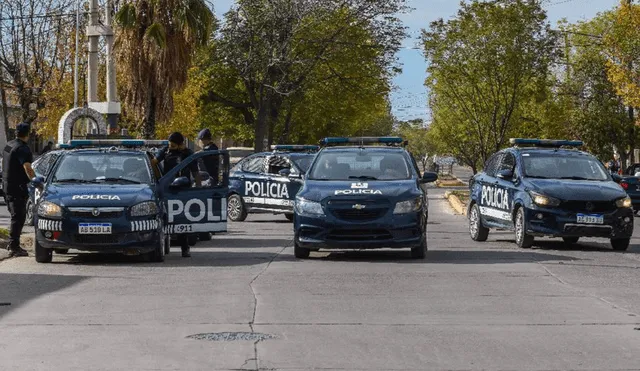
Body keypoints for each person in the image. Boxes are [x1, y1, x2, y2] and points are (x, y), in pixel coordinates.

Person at [151, 132, 200, 257]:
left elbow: (195, 173)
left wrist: (198, 189)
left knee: (181, 220)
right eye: (169, 144)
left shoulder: (188, 154)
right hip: (168, 189)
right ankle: (163, 246)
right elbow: (154, 162)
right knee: (166, 218)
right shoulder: (166, 151)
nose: (170, 147)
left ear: (180, 144)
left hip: (183, 190)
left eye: (173, 145)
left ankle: (185, 247)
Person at [2, 123, 36, 257]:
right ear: (28, 134)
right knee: (18, 217)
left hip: (6, 187)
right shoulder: (23, 149)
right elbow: (27, 168)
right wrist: (35, 181)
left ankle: (13, 244)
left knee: (14, 216)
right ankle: (14, 246)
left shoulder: (9, 145)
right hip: (17, 188)